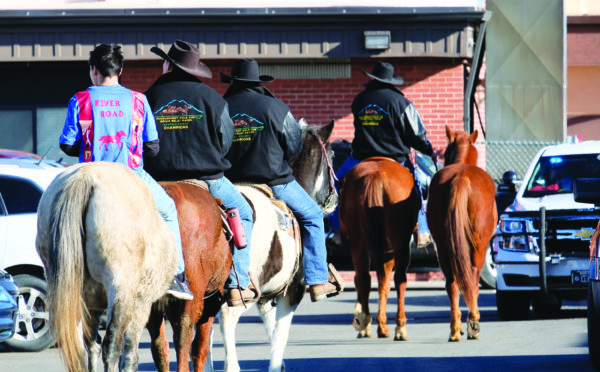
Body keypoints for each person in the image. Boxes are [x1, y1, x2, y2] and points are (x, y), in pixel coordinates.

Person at [59, 43, 193, 300]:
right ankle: (176, 276)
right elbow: (152, 147)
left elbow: (66, 144)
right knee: (168, 211)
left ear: (93, 70)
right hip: (131, 175)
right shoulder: (139, 100)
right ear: (121, 70)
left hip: (91, 174)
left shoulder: (79, 100)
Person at [142, 40, 257, 307]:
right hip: (208, 179)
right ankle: (238, 284)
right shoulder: (214, 99)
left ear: (167, 64)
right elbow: (226, 141)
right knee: (245, 212)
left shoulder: (147, 97)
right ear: (194, 70)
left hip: (156, 181)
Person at [220, 58, 341, 302]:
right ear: (257, 82)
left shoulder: (220, 106)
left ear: (233, 81)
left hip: (229, 184)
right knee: (314, 216)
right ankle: (317, 280)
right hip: (274, 183)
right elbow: (295, 146)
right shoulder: (276, 107)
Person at [328, 61, 436, 233]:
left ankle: (335, 229)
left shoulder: (359, 101)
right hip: (396, 159)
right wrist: (427, 148)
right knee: (416, 187)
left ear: (372, 78)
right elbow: (416, 134)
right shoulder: (402, 102)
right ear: (390, 81)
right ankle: (422, 231)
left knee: (336, 183)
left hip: (360, 158)